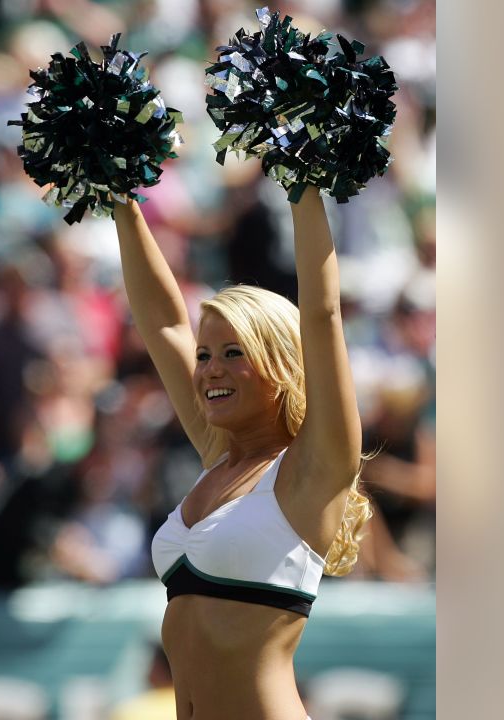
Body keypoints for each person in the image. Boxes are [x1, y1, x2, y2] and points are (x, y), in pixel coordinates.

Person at [114, 185, 371, 720]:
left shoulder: (310, 471)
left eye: (234, 354)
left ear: (279, 366)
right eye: (205, 354)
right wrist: (121, 197)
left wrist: (302, 183)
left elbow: (321, 315)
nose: (209, 370)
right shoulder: (218, 457)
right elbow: (162, 323)